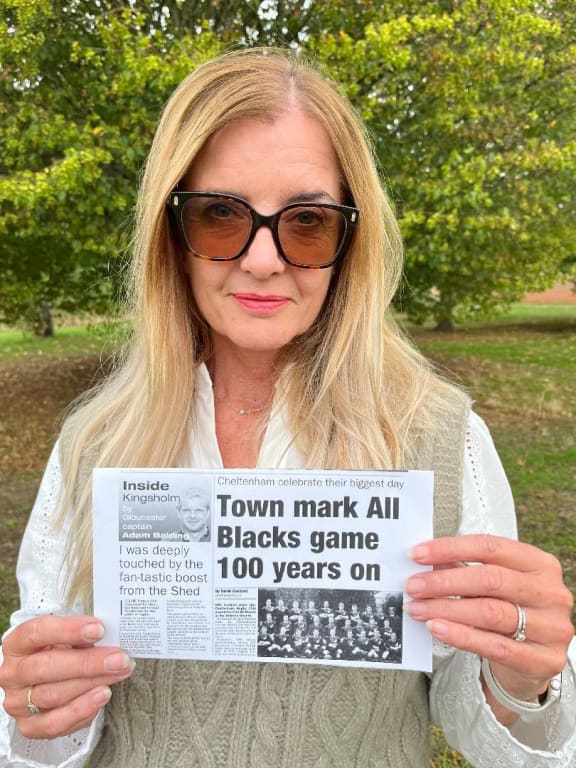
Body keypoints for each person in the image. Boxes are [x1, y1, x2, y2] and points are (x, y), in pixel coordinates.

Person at [0, 46, 574, 768]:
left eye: (307, 221)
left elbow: (489, 730)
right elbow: (39, 740)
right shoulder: (93, 444)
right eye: (219, 215)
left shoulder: (439, 438)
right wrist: (34, 711)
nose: (264, 260)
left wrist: (525, 678)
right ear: (170, 237)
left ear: (349, 242)